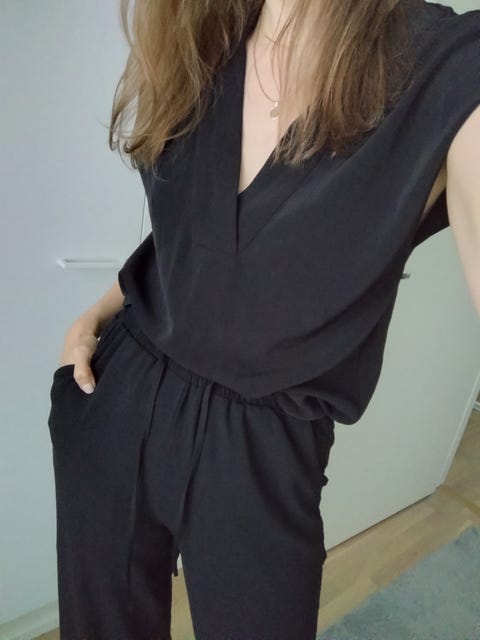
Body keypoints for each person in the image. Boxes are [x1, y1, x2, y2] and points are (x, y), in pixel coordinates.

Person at [47, 1, 480, 639]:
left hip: (259, 457)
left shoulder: (448, 68)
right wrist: (98, 310)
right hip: (115, 391)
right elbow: (191, 238)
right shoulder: (204, 30)